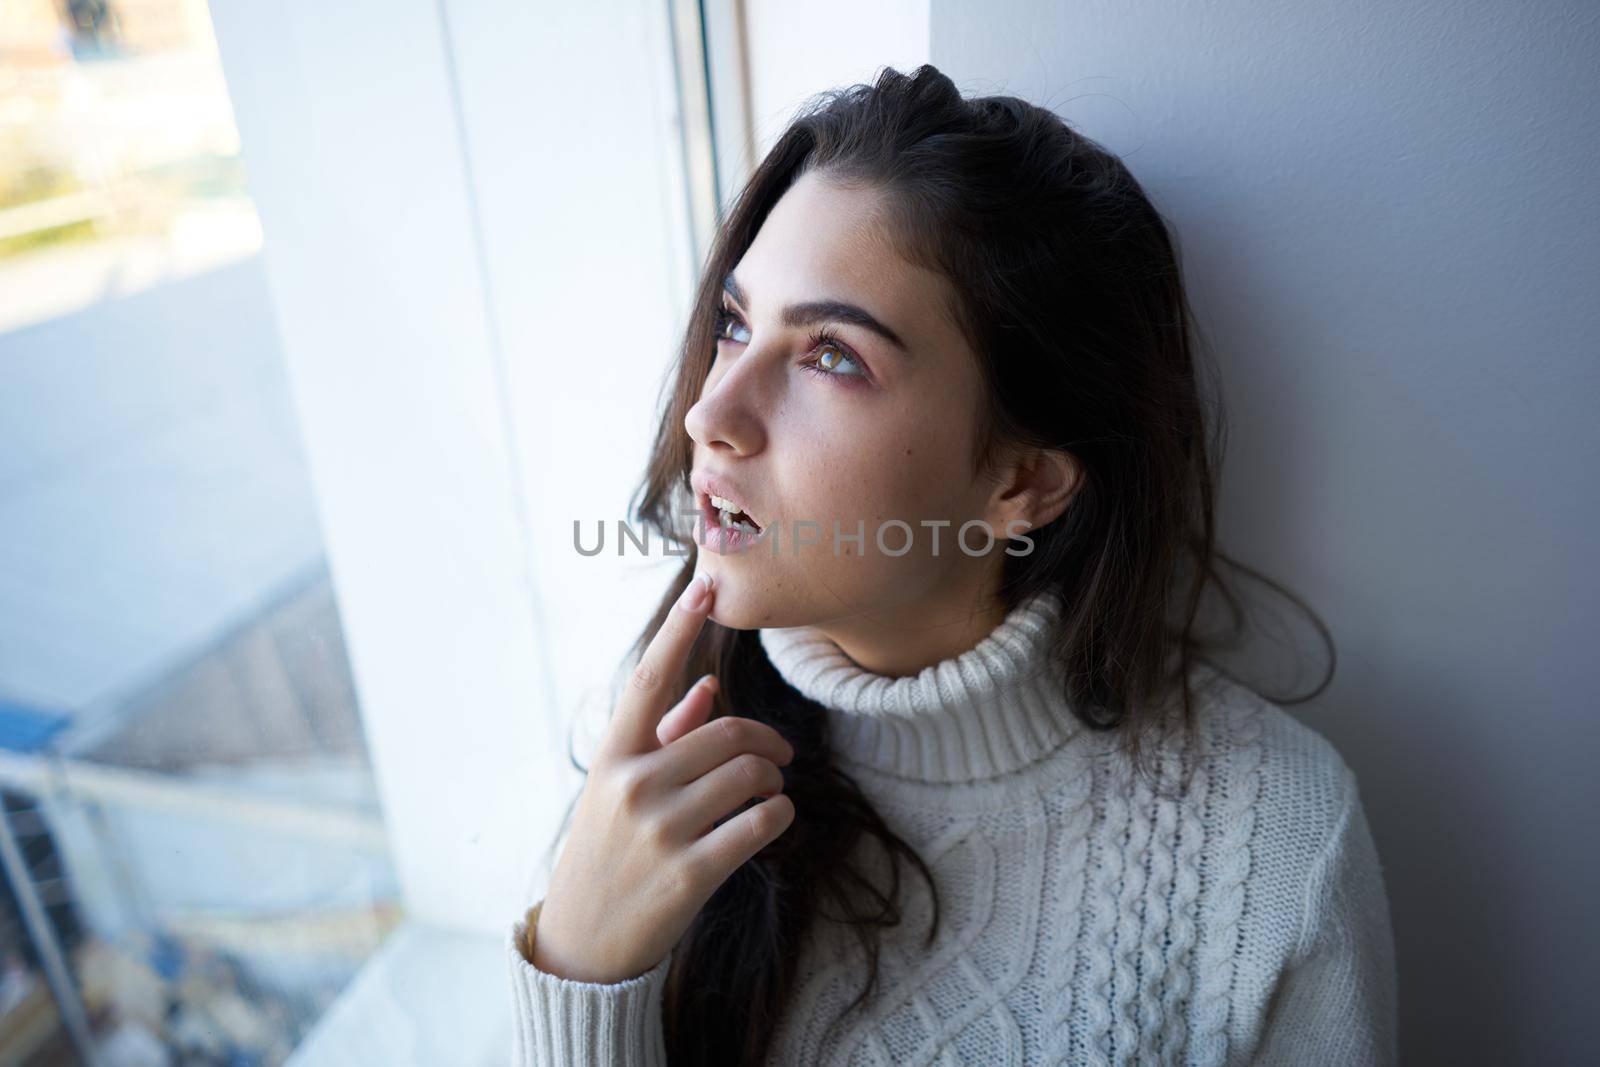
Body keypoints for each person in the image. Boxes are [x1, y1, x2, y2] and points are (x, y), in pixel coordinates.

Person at [506, 63, 1398, 1066]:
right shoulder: (667, 752)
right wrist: (580, 970)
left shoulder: (1271, 841)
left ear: (1020, 480)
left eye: (831, 356)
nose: (711, 413)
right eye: (734, 322)